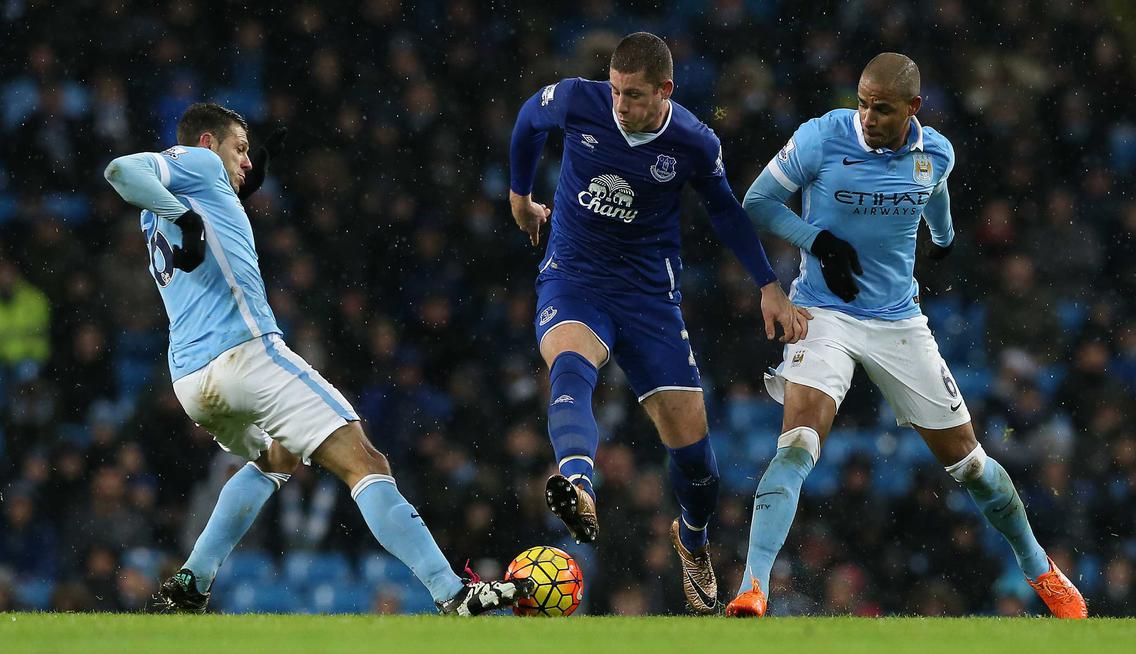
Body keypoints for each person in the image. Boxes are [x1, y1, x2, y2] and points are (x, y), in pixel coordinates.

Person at [104, 103, 530, 615]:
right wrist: (191, 213)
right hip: (245, 354)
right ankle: (452, 592)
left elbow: (190, 209)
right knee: (365, 462)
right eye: (238, 149)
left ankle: (193, 580)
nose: (243, 163)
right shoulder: (198, 168)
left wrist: (205, 201)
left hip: (192, 380)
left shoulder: (159, 204)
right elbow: (120, 169)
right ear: (206, 145)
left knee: (275, 458)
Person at [724, 53, 1087, 619]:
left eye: (882, 108)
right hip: (824, 313)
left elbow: (937, 202)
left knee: (969, 463)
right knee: (797, 442)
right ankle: (753, 587)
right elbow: (757, 201)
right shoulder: (821, 137)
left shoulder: (935, 152)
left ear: (913, 108)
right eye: (863, 103)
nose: (867, 116)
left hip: (898, 321)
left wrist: (942, 232)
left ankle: (1041, 569)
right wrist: (817, 241)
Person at [508, 32, 809, 614]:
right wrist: (520, 197)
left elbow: (725, 210)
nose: (620, 105)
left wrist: (768, 284)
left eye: (636, 96)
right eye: (616, 91)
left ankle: (693, 541)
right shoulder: (578, 100)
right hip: (575, 276)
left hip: (649, 296)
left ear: (666, 91)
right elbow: (527, 121)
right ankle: (578, 482)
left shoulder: (694, 141)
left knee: (697, 461)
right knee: (569, 367)